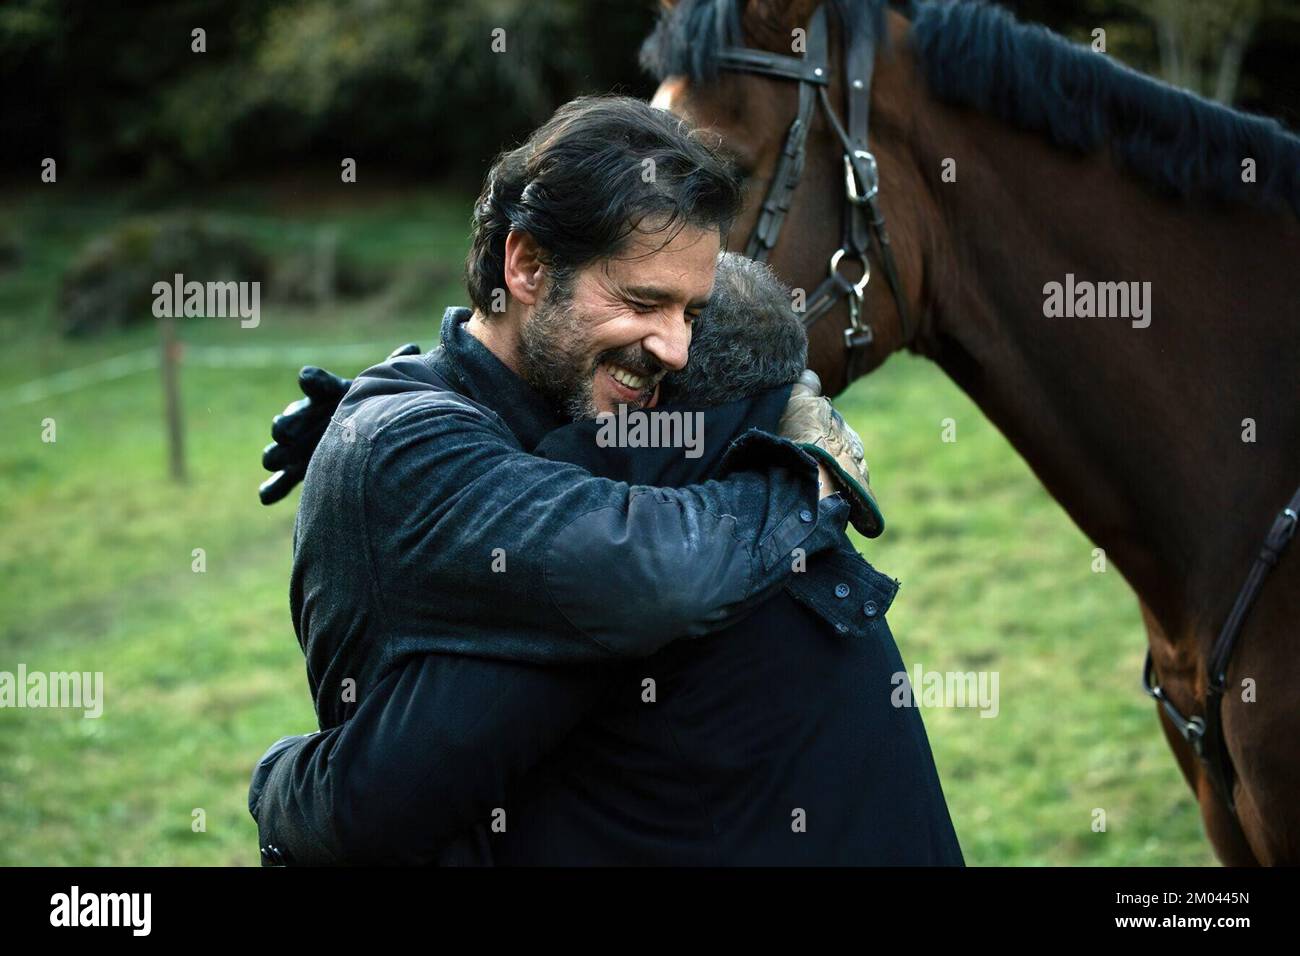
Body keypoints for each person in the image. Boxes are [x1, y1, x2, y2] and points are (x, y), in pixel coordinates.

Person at [249, 95, 959, 865]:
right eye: (644, 301)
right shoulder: (421, 446)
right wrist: (806, 486)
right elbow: (650, 572)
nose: (677, 348)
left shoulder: (640, 426)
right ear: (525, 265)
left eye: (692, 310)